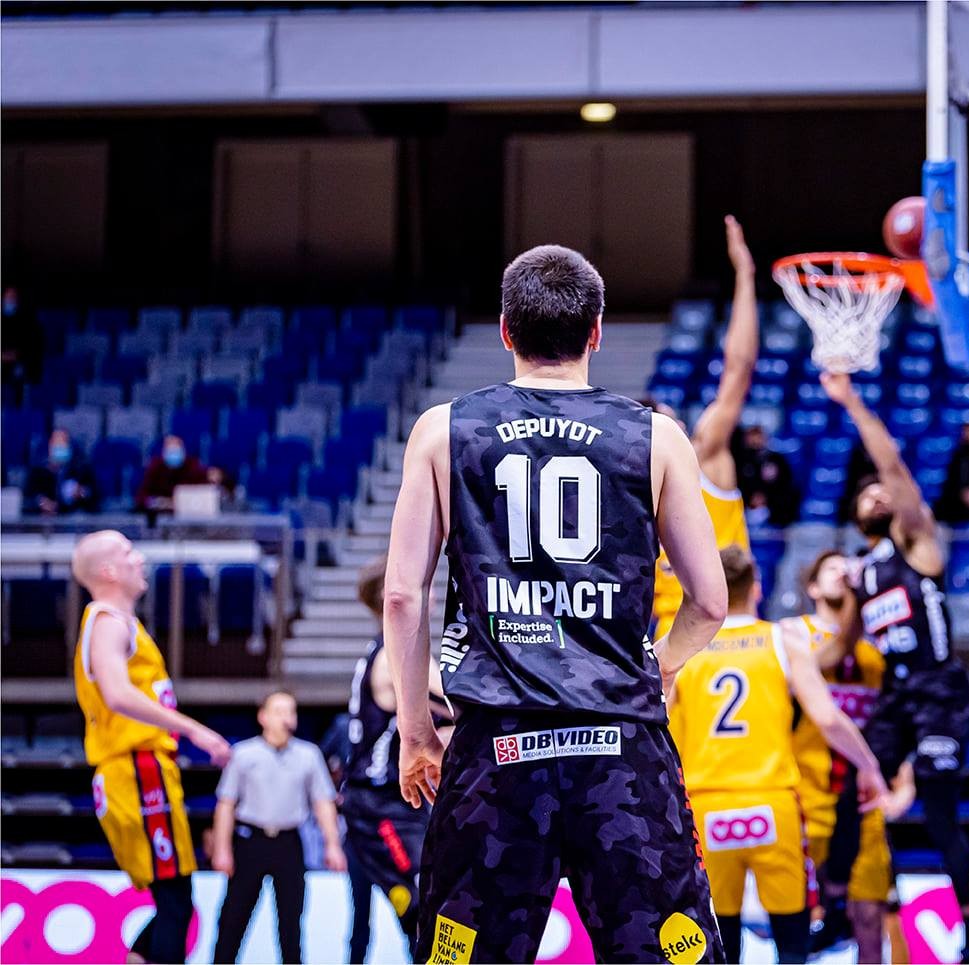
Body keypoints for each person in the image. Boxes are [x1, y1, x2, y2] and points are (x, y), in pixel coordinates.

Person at [384, 243, 731, 962]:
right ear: (596, 331)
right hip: (621, 746)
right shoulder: (657, 437)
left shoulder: (443, 430)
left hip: (496, 747)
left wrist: (416, 730)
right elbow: (708, 601)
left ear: (505, 330)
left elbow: (401, 595)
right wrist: (660, 665)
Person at [818, 371, 969, 963]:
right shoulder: (862, 574)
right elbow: (838, 650)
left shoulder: (918, 544)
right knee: (851, 795)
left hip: (939, 687)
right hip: (895, 693)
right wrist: (787, 659)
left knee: (940, 814)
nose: (876, 495)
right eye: (866, 495)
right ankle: (832, 915)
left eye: (881, 493)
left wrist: (851, 401)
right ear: (854, 514)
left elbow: (892, 468)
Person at [669, 546, 885, 964]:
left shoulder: (685, 646)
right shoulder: (782, 639)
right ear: (757, 588)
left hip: (707, 804)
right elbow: (827, 717)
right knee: (791, 940)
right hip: (772, 801)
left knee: (721, 938)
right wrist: (870, 766)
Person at [71, 530, 233, 964]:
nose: (139, 558)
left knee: (174, 901)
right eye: (128, 552)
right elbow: (117, 694)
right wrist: (195, 730)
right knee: (176, 900)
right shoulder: (107, 621)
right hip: (135, 769)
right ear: (108, 570)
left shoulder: (121, 622)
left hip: (145, 769)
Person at [781, 549, 894, 963]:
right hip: (806, 795)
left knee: (869, 915)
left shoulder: (878, 646)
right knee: (802, 918)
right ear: (812, 587)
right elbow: (817, 666)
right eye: (831, 568)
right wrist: (853, 608)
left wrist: (903, 783)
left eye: (846, 568)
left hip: (863, 800)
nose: (842, 573)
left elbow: (894, 721)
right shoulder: (793, 633)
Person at [648, 216, 757, 640]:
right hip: (667, 639)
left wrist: (745, 275)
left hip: (727, 630)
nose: (679, 422)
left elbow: (739, 369)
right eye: (668, 418)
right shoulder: (632, 487)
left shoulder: (704, 454)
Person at [342, 556, 454, 965]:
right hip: (377, 804)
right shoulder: (397, 655)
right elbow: (459, 700)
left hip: (392, 800)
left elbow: (445, 719)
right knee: (424, 905)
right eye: (423, 584)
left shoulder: (389, 650)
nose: (432, 592)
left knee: (426, 903)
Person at [210, 691, 347, 964]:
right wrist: (221, 849)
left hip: (289, 843)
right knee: (233, 920)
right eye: (279, 711)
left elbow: (323, 802)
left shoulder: (308, 755)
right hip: (250, 841)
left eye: (291, 711)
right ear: (263, 716)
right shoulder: (244, 754)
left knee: (291, 924)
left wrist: (332, 844)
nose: (286, 717)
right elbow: (226, 804)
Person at [734, 424, 800, 528]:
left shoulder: (776, 459)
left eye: (759, 437)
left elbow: (785, 482)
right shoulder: (740, 461)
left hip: (773, 507)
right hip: (745, 505)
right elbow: (736, 483)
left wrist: (766, 498)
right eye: (752, 438)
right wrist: (750, 498)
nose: (755, 441)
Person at [26, 429, 98, 515]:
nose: (60, 446)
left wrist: (82, 493)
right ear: (50, 446)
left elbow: (95, 496)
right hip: (44, 518)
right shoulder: (38, 471)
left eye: (64, 442)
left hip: (73, 516)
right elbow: (28, 497)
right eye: (57, 443)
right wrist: (41, 503)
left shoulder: (82, 470)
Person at [135, 434, 209, 513]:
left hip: (189, 513)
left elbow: (205, 492)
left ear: (183, 451)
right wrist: (157, 502)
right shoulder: (155, 467)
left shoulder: (193, 467)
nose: (173, 454)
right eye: (170, 450)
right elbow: (141, 496)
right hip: (161, 513)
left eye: (176, 450)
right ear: (164, 452)